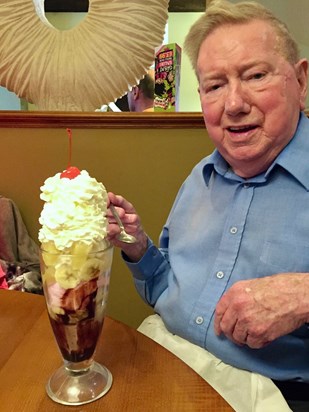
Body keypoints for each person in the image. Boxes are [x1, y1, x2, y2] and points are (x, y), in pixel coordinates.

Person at [107, 1, 309, 410]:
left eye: (254, 75)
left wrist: (305, 294)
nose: (234, 104)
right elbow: (166, 288)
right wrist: (139, 249)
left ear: (301, 80)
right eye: (215, 85)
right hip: (163, 355)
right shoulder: (199, 177)